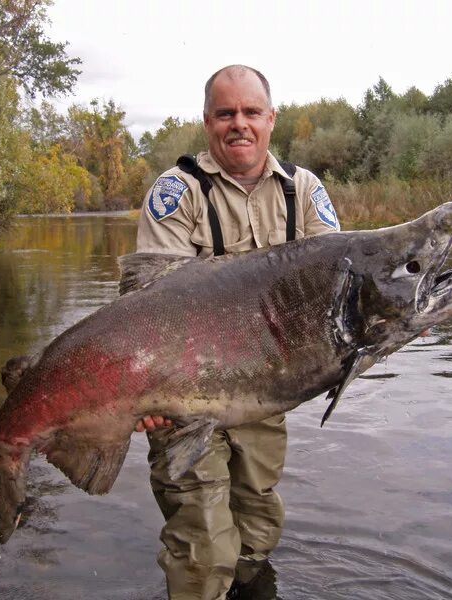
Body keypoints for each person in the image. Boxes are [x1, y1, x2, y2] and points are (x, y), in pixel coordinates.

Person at [133, 65, 340, 600]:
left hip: (265, 394)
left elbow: (338, 285)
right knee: (202, 541)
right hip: (181, 398)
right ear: (207, 122)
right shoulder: (176, 192)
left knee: (256, 527)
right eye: (226, 113)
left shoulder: (304, 190)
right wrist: (145, 391)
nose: (239, 124)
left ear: (271, 119)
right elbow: (146, 310)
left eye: (251, 112)